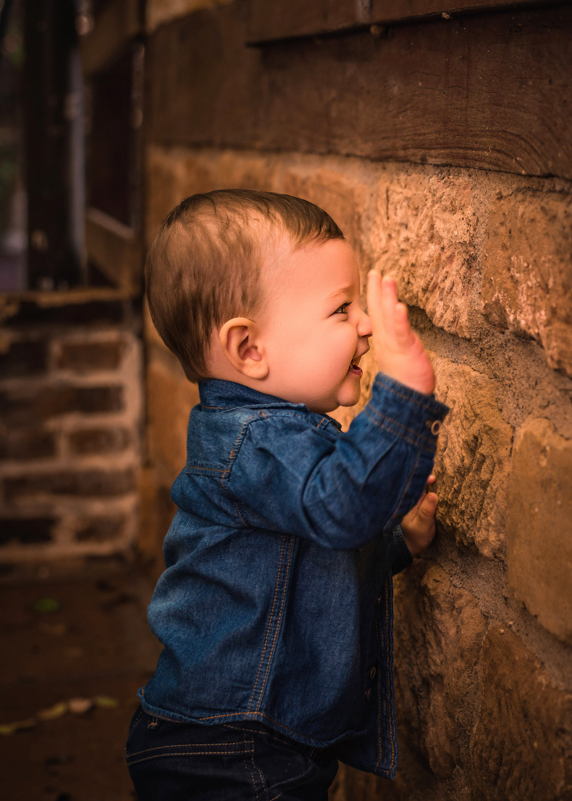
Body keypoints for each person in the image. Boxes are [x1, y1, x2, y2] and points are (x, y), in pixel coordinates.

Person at [126, 189, 449, 800]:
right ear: (250, 350)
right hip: (228, 751)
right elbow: (338, 509)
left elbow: (315, 562)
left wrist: (398, 540)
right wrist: (403, 390)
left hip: (243, 739)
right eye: (340, 310)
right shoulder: (257, 441)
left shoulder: (275, 440)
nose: (366, 324)